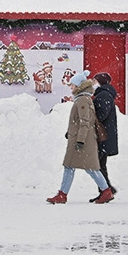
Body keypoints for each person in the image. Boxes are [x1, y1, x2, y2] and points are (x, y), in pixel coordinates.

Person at [47, 71, 114, 205]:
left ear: (78, 86)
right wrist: (70, 132)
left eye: (72, 85)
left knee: (71, 166)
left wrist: (80, 140)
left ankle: (62, 195)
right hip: (82, 138)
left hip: (82, 140)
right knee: (89, 168)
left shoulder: (82, 99)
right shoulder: (84, 98)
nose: (70, 87)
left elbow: (85, 121)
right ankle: (106, 191)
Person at [92, 72, 119, 201]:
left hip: (103, 136)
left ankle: (106, 190)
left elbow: (102, 114)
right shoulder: (104, 94)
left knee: (97, 164)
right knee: (100, 164)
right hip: (105, 135)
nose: (93, 83)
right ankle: (106, 190)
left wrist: (91, 118)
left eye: (94, 81)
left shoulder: (103, 95)